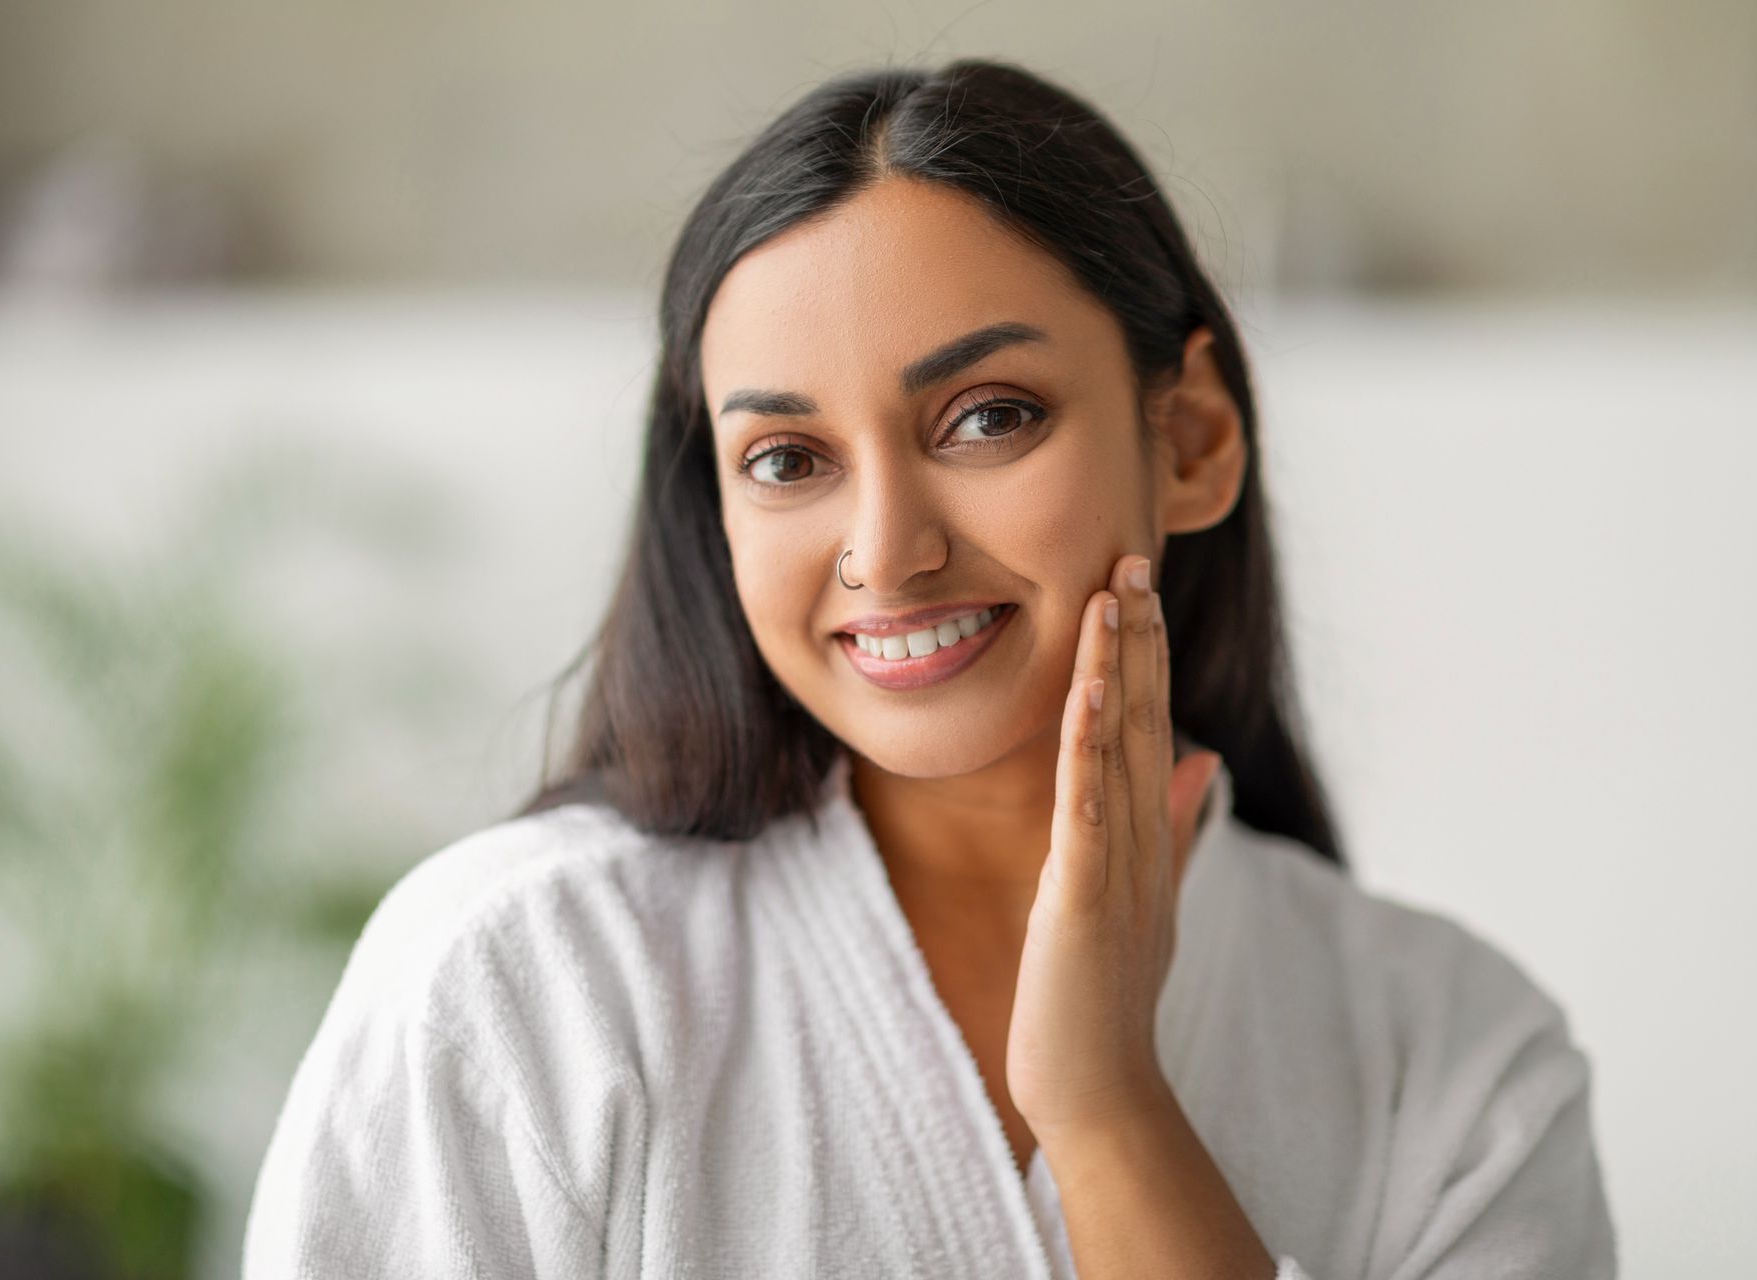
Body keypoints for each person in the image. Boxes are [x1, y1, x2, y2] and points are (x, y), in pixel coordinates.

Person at [242, 58, 1617, 1279]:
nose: (887, 553)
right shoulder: (518, 981)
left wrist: (1109, 1115)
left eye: (987, 418)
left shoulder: (1454, 1065)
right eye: (787, 461)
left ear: (1190, 437)